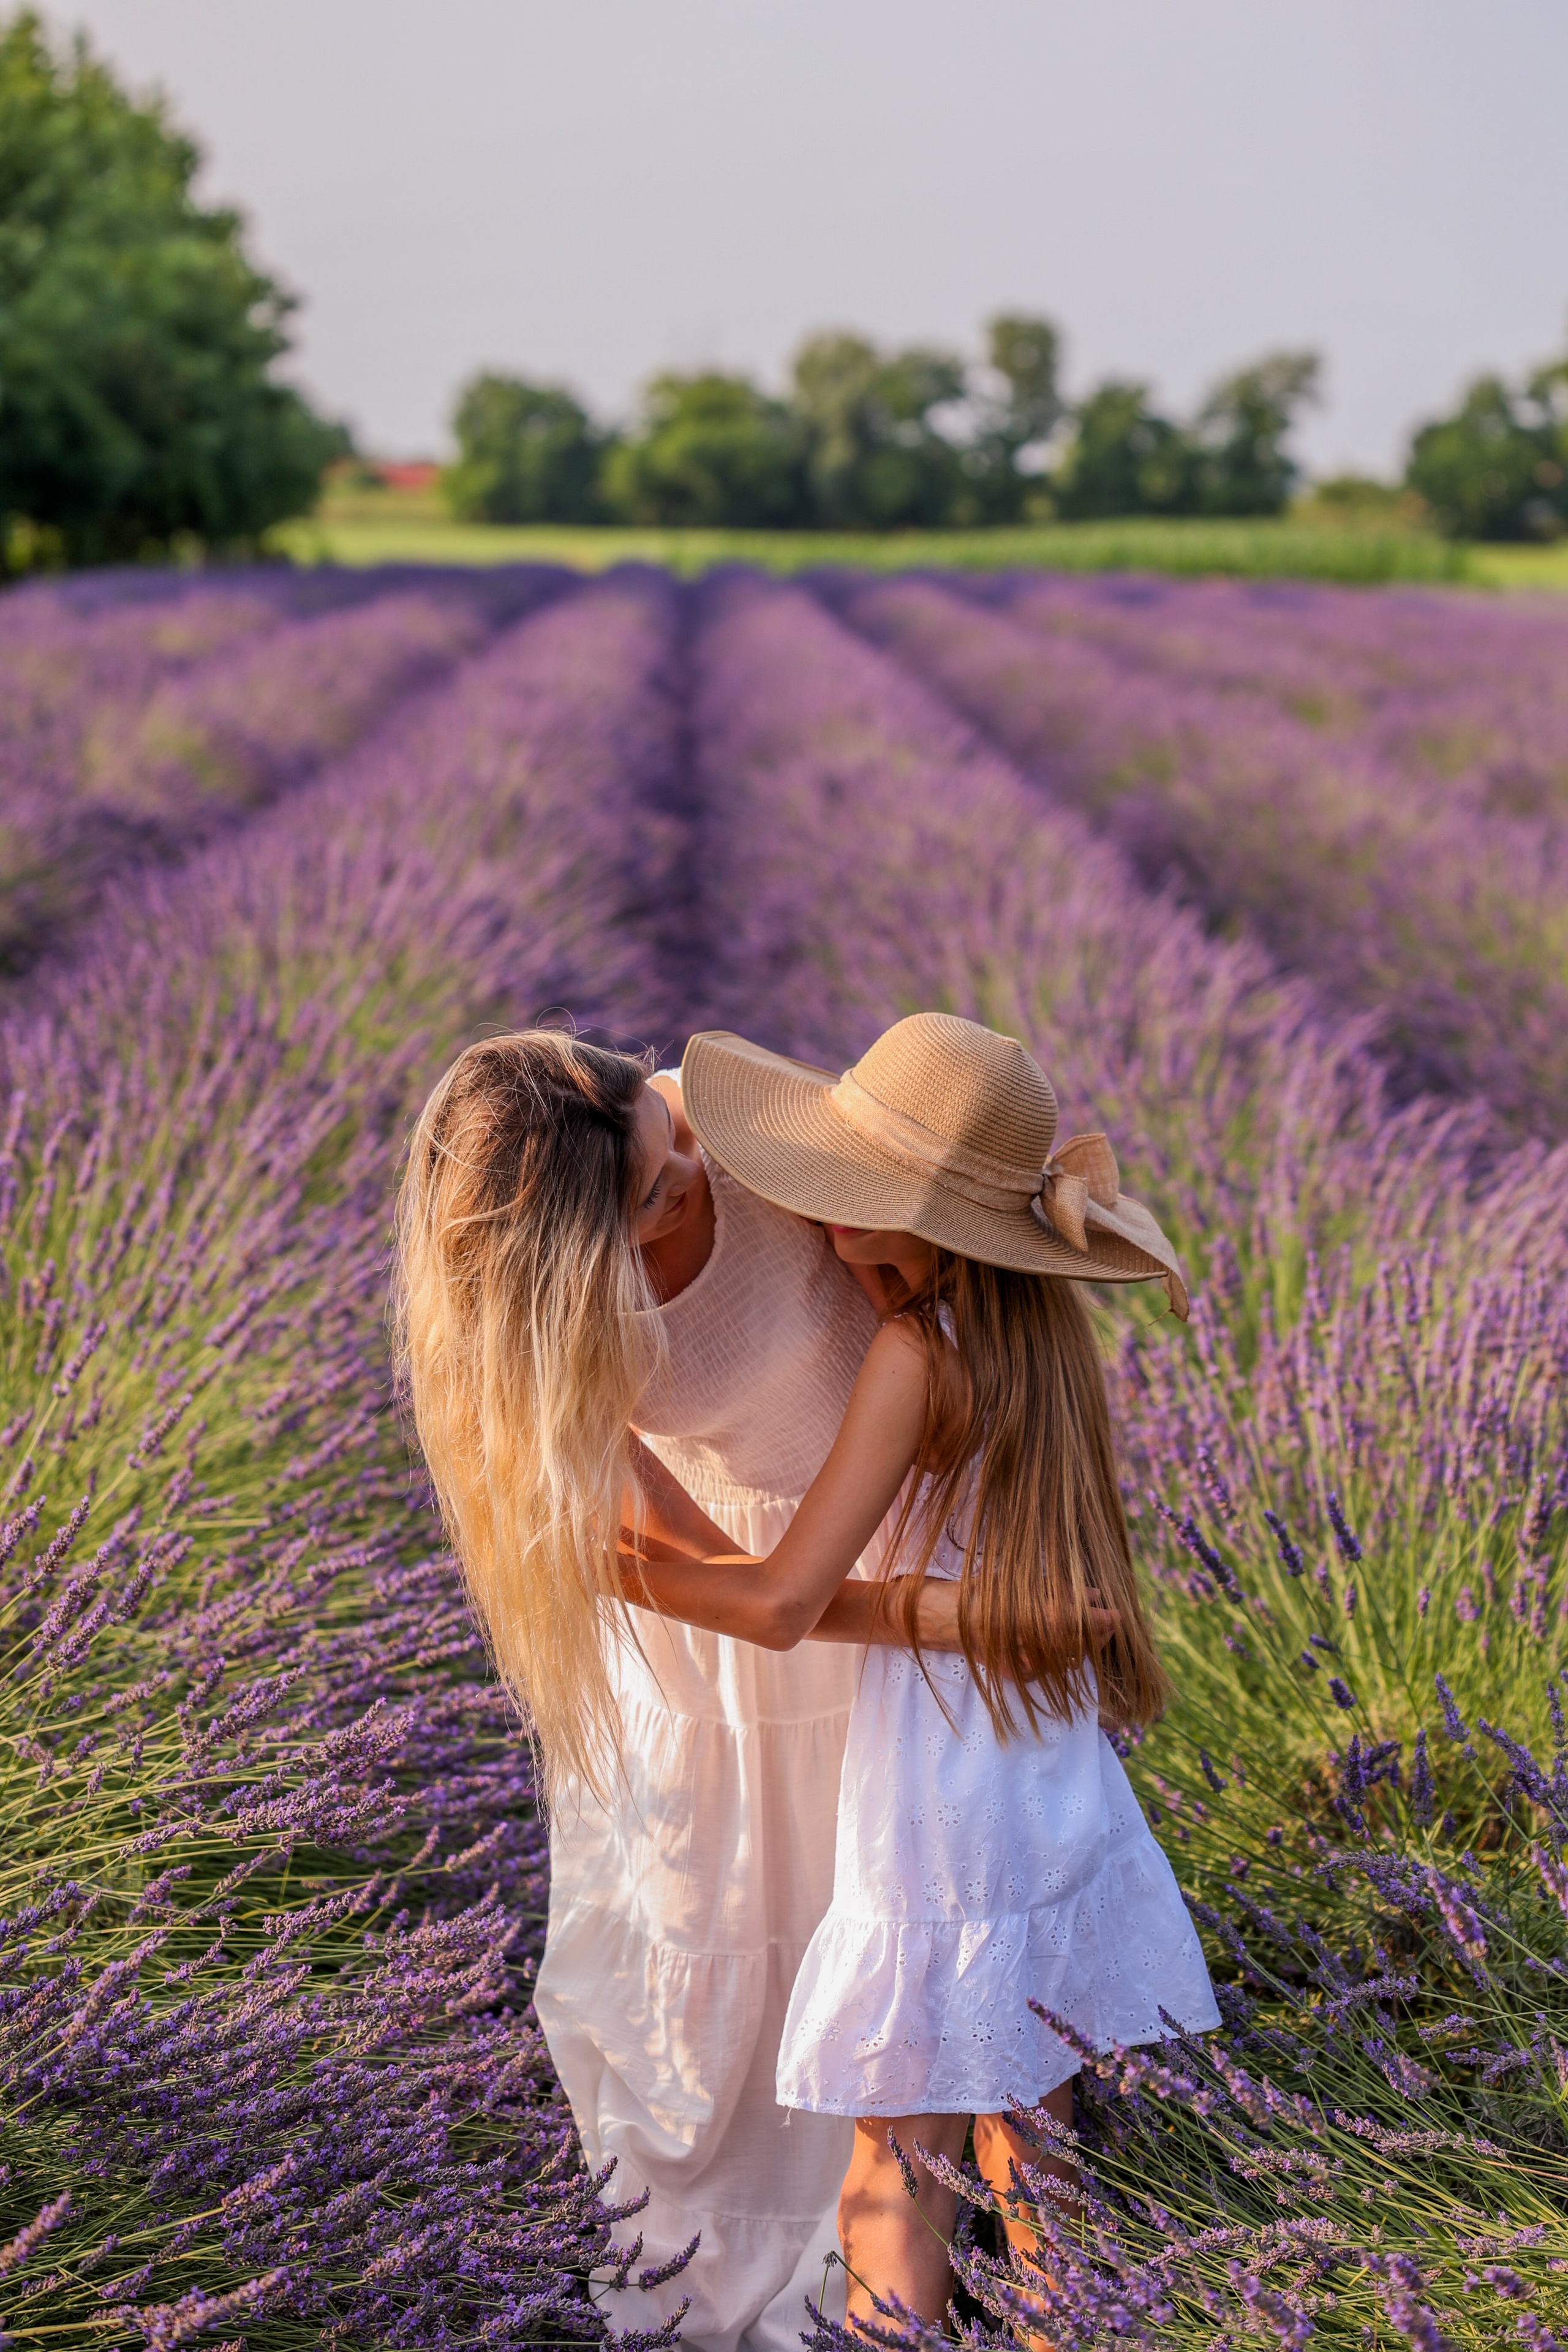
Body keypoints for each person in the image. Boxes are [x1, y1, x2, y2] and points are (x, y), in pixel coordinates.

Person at [620, 1011, 1221, 2332]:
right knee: (1038, 2156)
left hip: (939, 1780)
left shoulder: (911, 1358)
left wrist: (622, 1554)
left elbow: (781, 1598)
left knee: (892, 2172)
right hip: (1049, 1763)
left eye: (859, 1201)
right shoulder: (1042, 1340)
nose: (830, 1227)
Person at [391, 1028, 973, 2352]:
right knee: (717, 2009)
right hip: (738, 1642)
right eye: (657, 1191)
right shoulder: (534, 1331)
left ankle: (932, 2258)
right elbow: (745, 1594)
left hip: (885, 1544)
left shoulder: (721, 1128)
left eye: (672, 1141)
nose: (694, 1168)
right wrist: (936, 1622)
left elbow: (959, 1257)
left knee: (906, 1965)